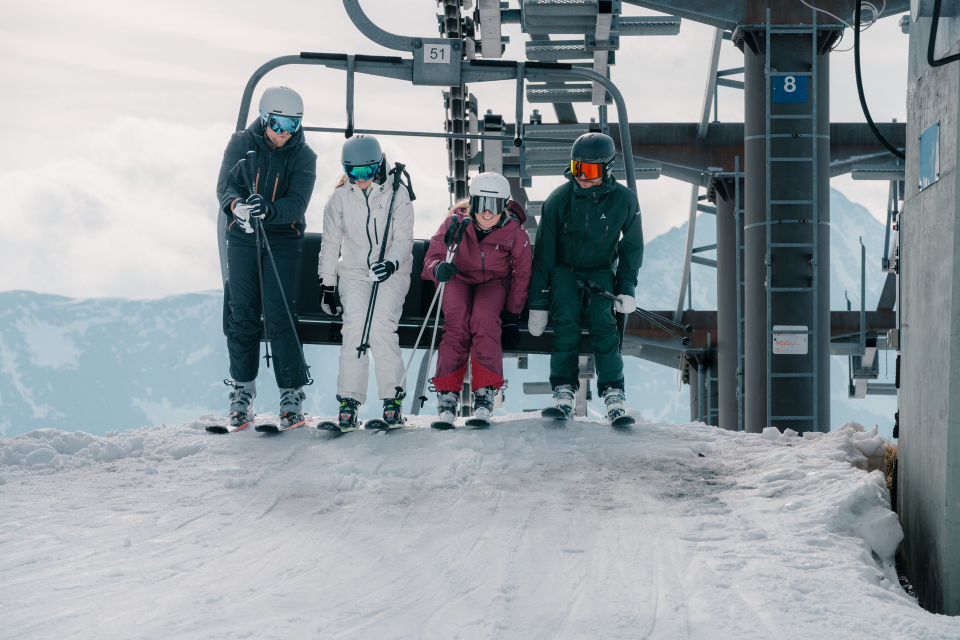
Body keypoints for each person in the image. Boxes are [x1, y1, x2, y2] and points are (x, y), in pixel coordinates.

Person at [216, 86, 317, 428]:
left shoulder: (304, 157)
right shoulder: (241, 144)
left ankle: (291, 393)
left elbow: (296, 204)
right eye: (279, 123)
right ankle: (242, 392)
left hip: (282, 239)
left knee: (279, 314)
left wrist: (269, 210)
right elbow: (225, 186)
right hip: (243, 237)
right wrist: (237, 206)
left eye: (294, 125)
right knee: (242, 313)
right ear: (264, 117)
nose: (285, 132)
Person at [527, 132, 643, 421]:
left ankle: (613, 392)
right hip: (563, 269)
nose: (582, 177)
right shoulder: (559, 200)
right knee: (566, 318)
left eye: (590, 171)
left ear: (607, 169)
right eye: (577, 168)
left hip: (601, 269)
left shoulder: (624, 201)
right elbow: (543, 254)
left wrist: (626, 288)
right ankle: (563, 390)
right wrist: (539, 303)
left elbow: (632, 248)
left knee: (604, 321)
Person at [318, 135, 415, 430]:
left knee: (381, 326)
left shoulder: (397, 193)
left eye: (367, 172)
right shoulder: (339, 199)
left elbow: (403, 239)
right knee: (355, 327)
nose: (360, 179)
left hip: (392, 272)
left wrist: (391, 263)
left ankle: (392, 402)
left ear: (378, 165)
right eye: (353, 173)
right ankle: (349, 401)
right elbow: (330, 244)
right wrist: (327, 285)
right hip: (355, 272)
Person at [422, 172, 532, 424]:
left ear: (504, 206)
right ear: (472, 202)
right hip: (458, 277)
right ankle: (447, 393)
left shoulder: (514, 233)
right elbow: (433, 255)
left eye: (494, 206)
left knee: (484, 320)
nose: (486, 213)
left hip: (493, 282)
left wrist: (513, 314)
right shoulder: (455, 223)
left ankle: (484, 392)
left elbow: (522, 274)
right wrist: (438, 268)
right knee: (457, 323)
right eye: (481, 204)